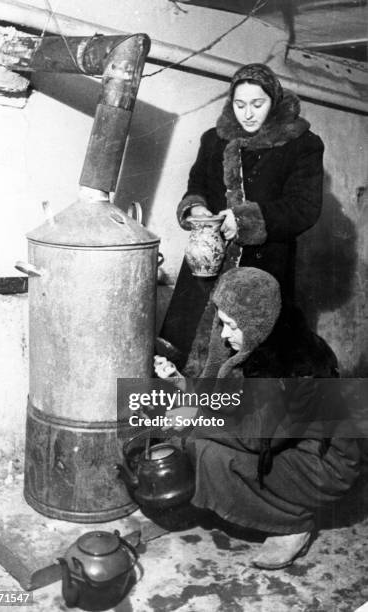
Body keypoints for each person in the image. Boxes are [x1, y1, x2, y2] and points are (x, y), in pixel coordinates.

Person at [154, 267, 360, 569]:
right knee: (195, 440)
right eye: (221, 323)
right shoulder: (264, 338)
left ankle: (292, 523)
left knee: (210, 454)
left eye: (231, 326)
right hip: (291, 445)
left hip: (326, 465)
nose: (223, 335)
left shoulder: (294, 364)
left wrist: (195, 416)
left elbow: (255, 436)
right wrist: (181, 384)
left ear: (254, 323)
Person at [159, 63, 325, 370]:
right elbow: (196, 185)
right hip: (206, 261)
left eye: (257, 104)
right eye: (239, 104)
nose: (247, 114)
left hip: (262, 265)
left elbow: (304, 207)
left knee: (249, 357)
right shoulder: (214, 140)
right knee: (185, 347)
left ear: (273, 102)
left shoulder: (302, 144)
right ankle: (183, 413)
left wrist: (245, 221)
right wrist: (196, 208)